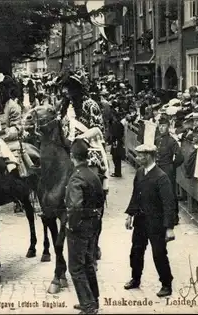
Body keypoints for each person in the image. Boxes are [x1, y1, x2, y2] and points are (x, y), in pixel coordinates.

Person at [124, 144, 176, 297]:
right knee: (136, 251)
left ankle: (166, 284)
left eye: (140, 155)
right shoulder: (140, 172)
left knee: (159, 254)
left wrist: (169, 227)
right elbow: (135, 195)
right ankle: (135, 278)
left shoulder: (161, 177)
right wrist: (130, 215)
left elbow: (168, 204)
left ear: (148, 156)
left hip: (156, 224)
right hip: (140, 221)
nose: (137, 158)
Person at [66, 139, 105, 315]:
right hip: (93, 224)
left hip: (79, 227)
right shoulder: (93, 174)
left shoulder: (76, 177)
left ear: (72, 156)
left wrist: (71, 225)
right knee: (89, 263)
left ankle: (88, 306)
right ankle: (93, 300)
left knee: (75, 267)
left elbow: (75, 207)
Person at [154, 116, 184, 225]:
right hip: (158, 169)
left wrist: (172, 166)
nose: (161, 128)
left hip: (168, 170)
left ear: (168, 127)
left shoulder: (172, 141)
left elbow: (180, 157)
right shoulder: (157, 140)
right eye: (160, 126)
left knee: (170, 193)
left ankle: (174, 218)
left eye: (164, 126)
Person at [109, 109, 125, 177]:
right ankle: (117, 172)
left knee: (115, 157)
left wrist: (111, 140)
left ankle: (117, 172)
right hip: (118, 141)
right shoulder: (120, 124)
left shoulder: (116, 124)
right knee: (117, 158)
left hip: (116, 142)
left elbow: (114, 134)